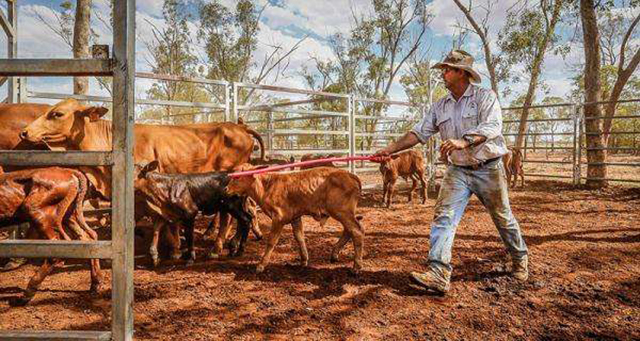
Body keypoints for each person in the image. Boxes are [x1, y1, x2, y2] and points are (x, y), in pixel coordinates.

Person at [374, 50, 528, 294]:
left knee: (502, 217)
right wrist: (389, 149)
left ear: (462, 73)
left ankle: (520, 258)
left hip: (488, 168)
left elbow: (492, 126)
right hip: (457, 170)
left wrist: (463, 141)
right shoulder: (440, 106)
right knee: (444, 216)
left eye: (447, 69)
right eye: (443, 69)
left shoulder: (485, 97)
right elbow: (418, 133)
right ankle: (438, 272)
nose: (443, 73)